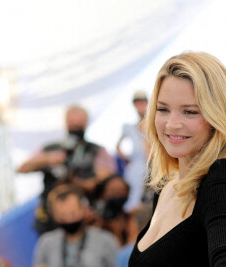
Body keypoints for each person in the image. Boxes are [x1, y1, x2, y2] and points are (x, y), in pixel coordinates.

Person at [129, 51, 226, 266]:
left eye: (190, 112)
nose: (172, 124)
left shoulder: (220, 180)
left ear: (216, 115)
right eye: (162, 109)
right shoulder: (166, 189)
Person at [18, 105, 116, 234]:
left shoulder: (96, 150)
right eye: (72, 124)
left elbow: (109, 178)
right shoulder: (51, 148)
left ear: (86, 123)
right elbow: (22, 168)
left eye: (79, 124)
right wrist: (46, 159)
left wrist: (80, 181)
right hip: (52, 219)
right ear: (66, 123)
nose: (75, 128)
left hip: (85, 218)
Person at [33, 183, 118, 267]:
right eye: (62, 216)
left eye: (73, 214)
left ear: (84, 210)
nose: (68, 220)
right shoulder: (46, 243)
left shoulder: (105, 240)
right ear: (54, 216)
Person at [116, 90, 150, 212]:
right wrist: (127, 158)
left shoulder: (154, 122)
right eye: (137, 103)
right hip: (139, 164)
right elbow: (118, 145)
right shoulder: (131, 127)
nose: (140, 105)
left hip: (153, 162)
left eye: (142, 102)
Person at [93, 174, 130, 246]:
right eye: (113, 191)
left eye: (121, 191)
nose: (118, 195)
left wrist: (117, 232)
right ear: (102, 194)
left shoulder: (131, 220)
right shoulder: (96, 220)